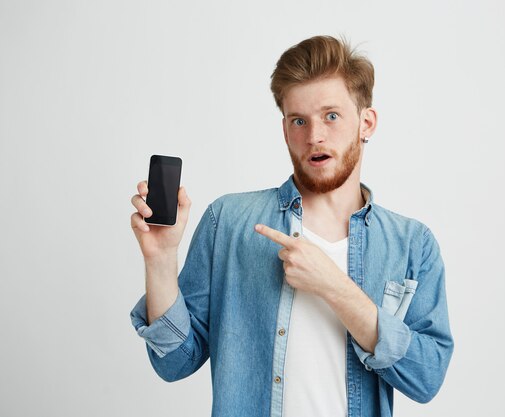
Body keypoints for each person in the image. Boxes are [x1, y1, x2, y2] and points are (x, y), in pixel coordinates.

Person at [129, 35, 453, 417]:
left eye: (331, 116)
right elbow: (173, 363)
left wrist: (334, 287)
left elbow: (427, 377)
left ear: (366, 123)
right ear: (285, 130)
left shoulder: (412, 244)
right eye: (299, 120)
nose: (314, 136)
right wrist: (162, 261)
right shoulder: (228, 223)